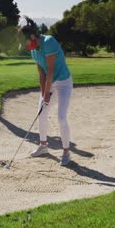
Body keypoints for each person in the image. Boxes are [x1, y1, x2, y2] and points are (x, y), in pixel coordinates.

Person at [20, 17, 74, 166]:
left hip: (63, 83)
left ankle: (66, 152)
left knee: (61, 117)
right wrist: (43, 93)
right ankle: (43, 146)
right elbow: (41, 74)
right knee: (41, 114)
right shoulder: (34, 52)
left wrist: (47, 95)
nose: (23, 44)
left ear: (32, 36)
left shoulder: (48, 41)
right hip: (50, 83)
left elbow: (50, 70)